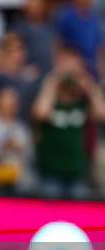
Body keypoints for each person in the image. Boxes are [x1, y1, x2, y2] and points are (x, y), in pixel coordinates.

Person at [32, 47, 105, 198]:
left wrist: (89, 85)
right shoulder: (49, 94)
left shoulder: (83, 101)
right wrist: (53, 80)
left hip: (77, 171)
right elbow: (40, 113)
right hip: (50, 172)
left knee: (79, 218)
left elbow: (101, 114)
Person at [55, 0, 103, 77]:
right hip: (73, 69)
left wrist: (100, 69)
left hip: (93, 71)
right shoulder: (66, 18)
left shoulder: (95, 18)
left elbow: (99, 48)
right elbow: (59, 45)